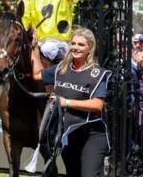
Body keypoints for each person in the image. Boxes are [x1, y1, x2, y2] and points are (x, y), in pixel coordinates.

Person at [32, 27, 110, 176]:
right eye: (73, 43)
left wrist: (66, 102)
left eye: (81, 44)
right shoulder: (61, 69)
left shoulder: (97, 73)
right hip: (68, 133)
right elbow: (36, 75)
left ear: (90, 48)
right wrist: (35, 48)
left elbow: (97, 105)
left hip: (92, 135)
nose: (75, 47)